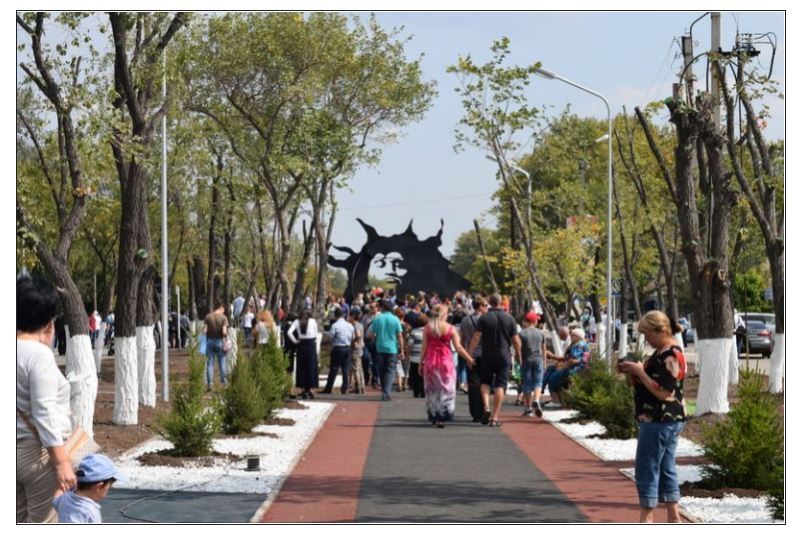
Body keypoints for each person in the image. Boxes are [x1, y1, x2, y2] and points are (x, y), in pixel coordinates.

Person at [617, 310, 687, 523]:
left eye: (648, 334)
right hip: (665, 420)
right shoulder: (664, 351)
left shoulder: (670, 354)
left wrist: (640, 372)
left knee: (647, 467)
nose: (646, 339)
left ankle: (646, 519)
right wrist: (633, 372)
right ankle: (674, 517)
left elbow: (663, 392)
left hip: (660, 419)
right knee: (665, 467)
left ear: (662, 331)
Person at [17, 275, 75, 523]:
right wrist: (61, 462)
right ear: (48, 319)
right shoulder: (38, 356)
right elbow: (44, 411)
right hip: (38, 454)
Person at [467, 294, 521, 427]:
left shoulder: (484, 318)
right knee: (500, 385)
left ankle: (486, 407)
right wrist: (519, 355)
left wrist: (469, 355)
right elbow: (516, 340)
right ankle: (495, 417)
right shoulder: (509, 318)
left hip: (487, 355)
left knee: (485, 382)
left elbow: (476, 337)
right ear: (501, 302)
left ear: (490, 303)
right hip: (503, 355)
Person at [420, 304, 474, 428]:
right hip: (446, 361)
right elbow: (458, 348)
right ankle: (443, 416)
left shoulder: (427, 328)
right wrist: (469, 358)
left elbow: (424, 348)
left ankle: (433, 414)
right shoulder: (451, 328)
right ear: (445, 314)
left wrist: (420, 363)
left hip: (430, 360)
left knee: (432, 389)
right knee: (446, 388)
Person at [52, 454, 125, 523]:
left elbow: (56, 499)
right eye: (109, 487)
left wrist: (63, 484)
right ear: (99, 486)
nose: (108, 490)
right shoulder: (91, 511)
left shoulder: (65, 498)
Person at [367, 299, 405, 401]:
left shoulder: (377, 319)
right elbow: (400, 335)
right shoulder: (395, 319)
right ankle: (386, 392)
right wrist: (402, 350)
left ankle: (385, 390)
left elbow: (371, 335)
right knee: (390, 370)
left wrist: (376, 341)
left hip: (380, 348)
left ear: (382, 308)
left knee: (381, 370)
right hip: (392, 348)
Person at [543, 328, 590, 406]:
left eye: (573, 335)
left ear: (578, 336)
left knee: (553, 377)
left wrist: (562, 367)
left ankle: (556, 400)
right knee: (550, 369)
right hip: (570, 367)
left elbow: (573, 360)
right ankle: (543, 390)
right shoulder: (574, 344)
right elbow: (567, 358)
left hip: (575, 369)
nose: (571, 336)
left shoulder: (580, 345)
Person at [459, 296, 487, 422]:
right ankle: (484, 408)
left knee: (473, 384)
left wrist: (465, 352)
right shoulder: (486, 320)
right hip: (485, 354)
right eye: (485, 305)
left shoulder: (466, 320)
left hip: (470, 355)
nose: (487, 307)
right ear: (480, 306)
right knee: (485, 382)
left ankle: (475, 412)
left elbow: (462, 338)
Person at [519, 312, 546, 417]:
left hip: (526, 360)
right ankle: (537, 400)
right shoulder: (540, 333)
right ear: (535, 321)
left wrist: (518, 360)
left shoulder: (522, 333)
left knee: (527, 383)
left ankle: (528, 408)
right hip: (538, 359)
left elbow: (519, 348)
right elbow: (544, 349)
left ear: (526, 321)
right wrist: (544, 361)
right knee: (538, 382)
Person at [287, 310, 319, 400]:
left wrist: (296, 341)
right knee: (311, 367)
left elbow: (289, 332)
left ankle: (303, 390)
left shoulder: (297, 321)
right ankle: (311, 389)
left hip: (302, 344)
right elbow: (316, 333)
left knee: (302, 368)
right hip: (311, 344)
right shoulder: (312, 321)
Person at [323, 308, 355, 394]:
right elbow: (353, 337)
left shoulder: (335, 325)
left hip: (338, 348)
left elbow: (330, 336)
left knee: (334, 368)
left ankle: (329, 387)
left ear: (335, 315)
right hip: (347, 347)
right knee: (345, 369)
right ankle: (345, 387)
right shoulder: (350, 325)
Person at [203, 300, 229, 390]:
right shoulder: (223, 318)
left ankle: (209, 384)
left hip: (209, 342)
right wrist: (225, 339)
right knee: (222, 363)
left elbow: (204, 330)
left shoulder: (208, 317)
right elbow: (224, 331)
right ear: (221, 308)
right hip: (220, 342)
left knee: (209, 363)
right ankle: (224, 383)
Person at [407, 314, 428, 398]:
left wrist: (407, 354)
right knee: (424, 375)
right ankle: (423, 392)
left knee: (414, 374)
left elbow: (410, 344)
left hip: (415, 356)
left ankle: (416, 392)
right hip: (426, 356)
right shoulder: (429, 331)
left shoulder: (414, 331)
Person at [349, 307, 366, 394]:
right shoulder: (360, 324)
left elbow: (358, 335)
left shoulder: (355, 325)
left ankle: (358, 387)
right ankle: (362, 386)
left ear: (352, 316)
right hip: (360, 348)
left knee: (355, 369)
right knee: (360, 368)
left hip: (356, 349)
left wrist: (353, 341)